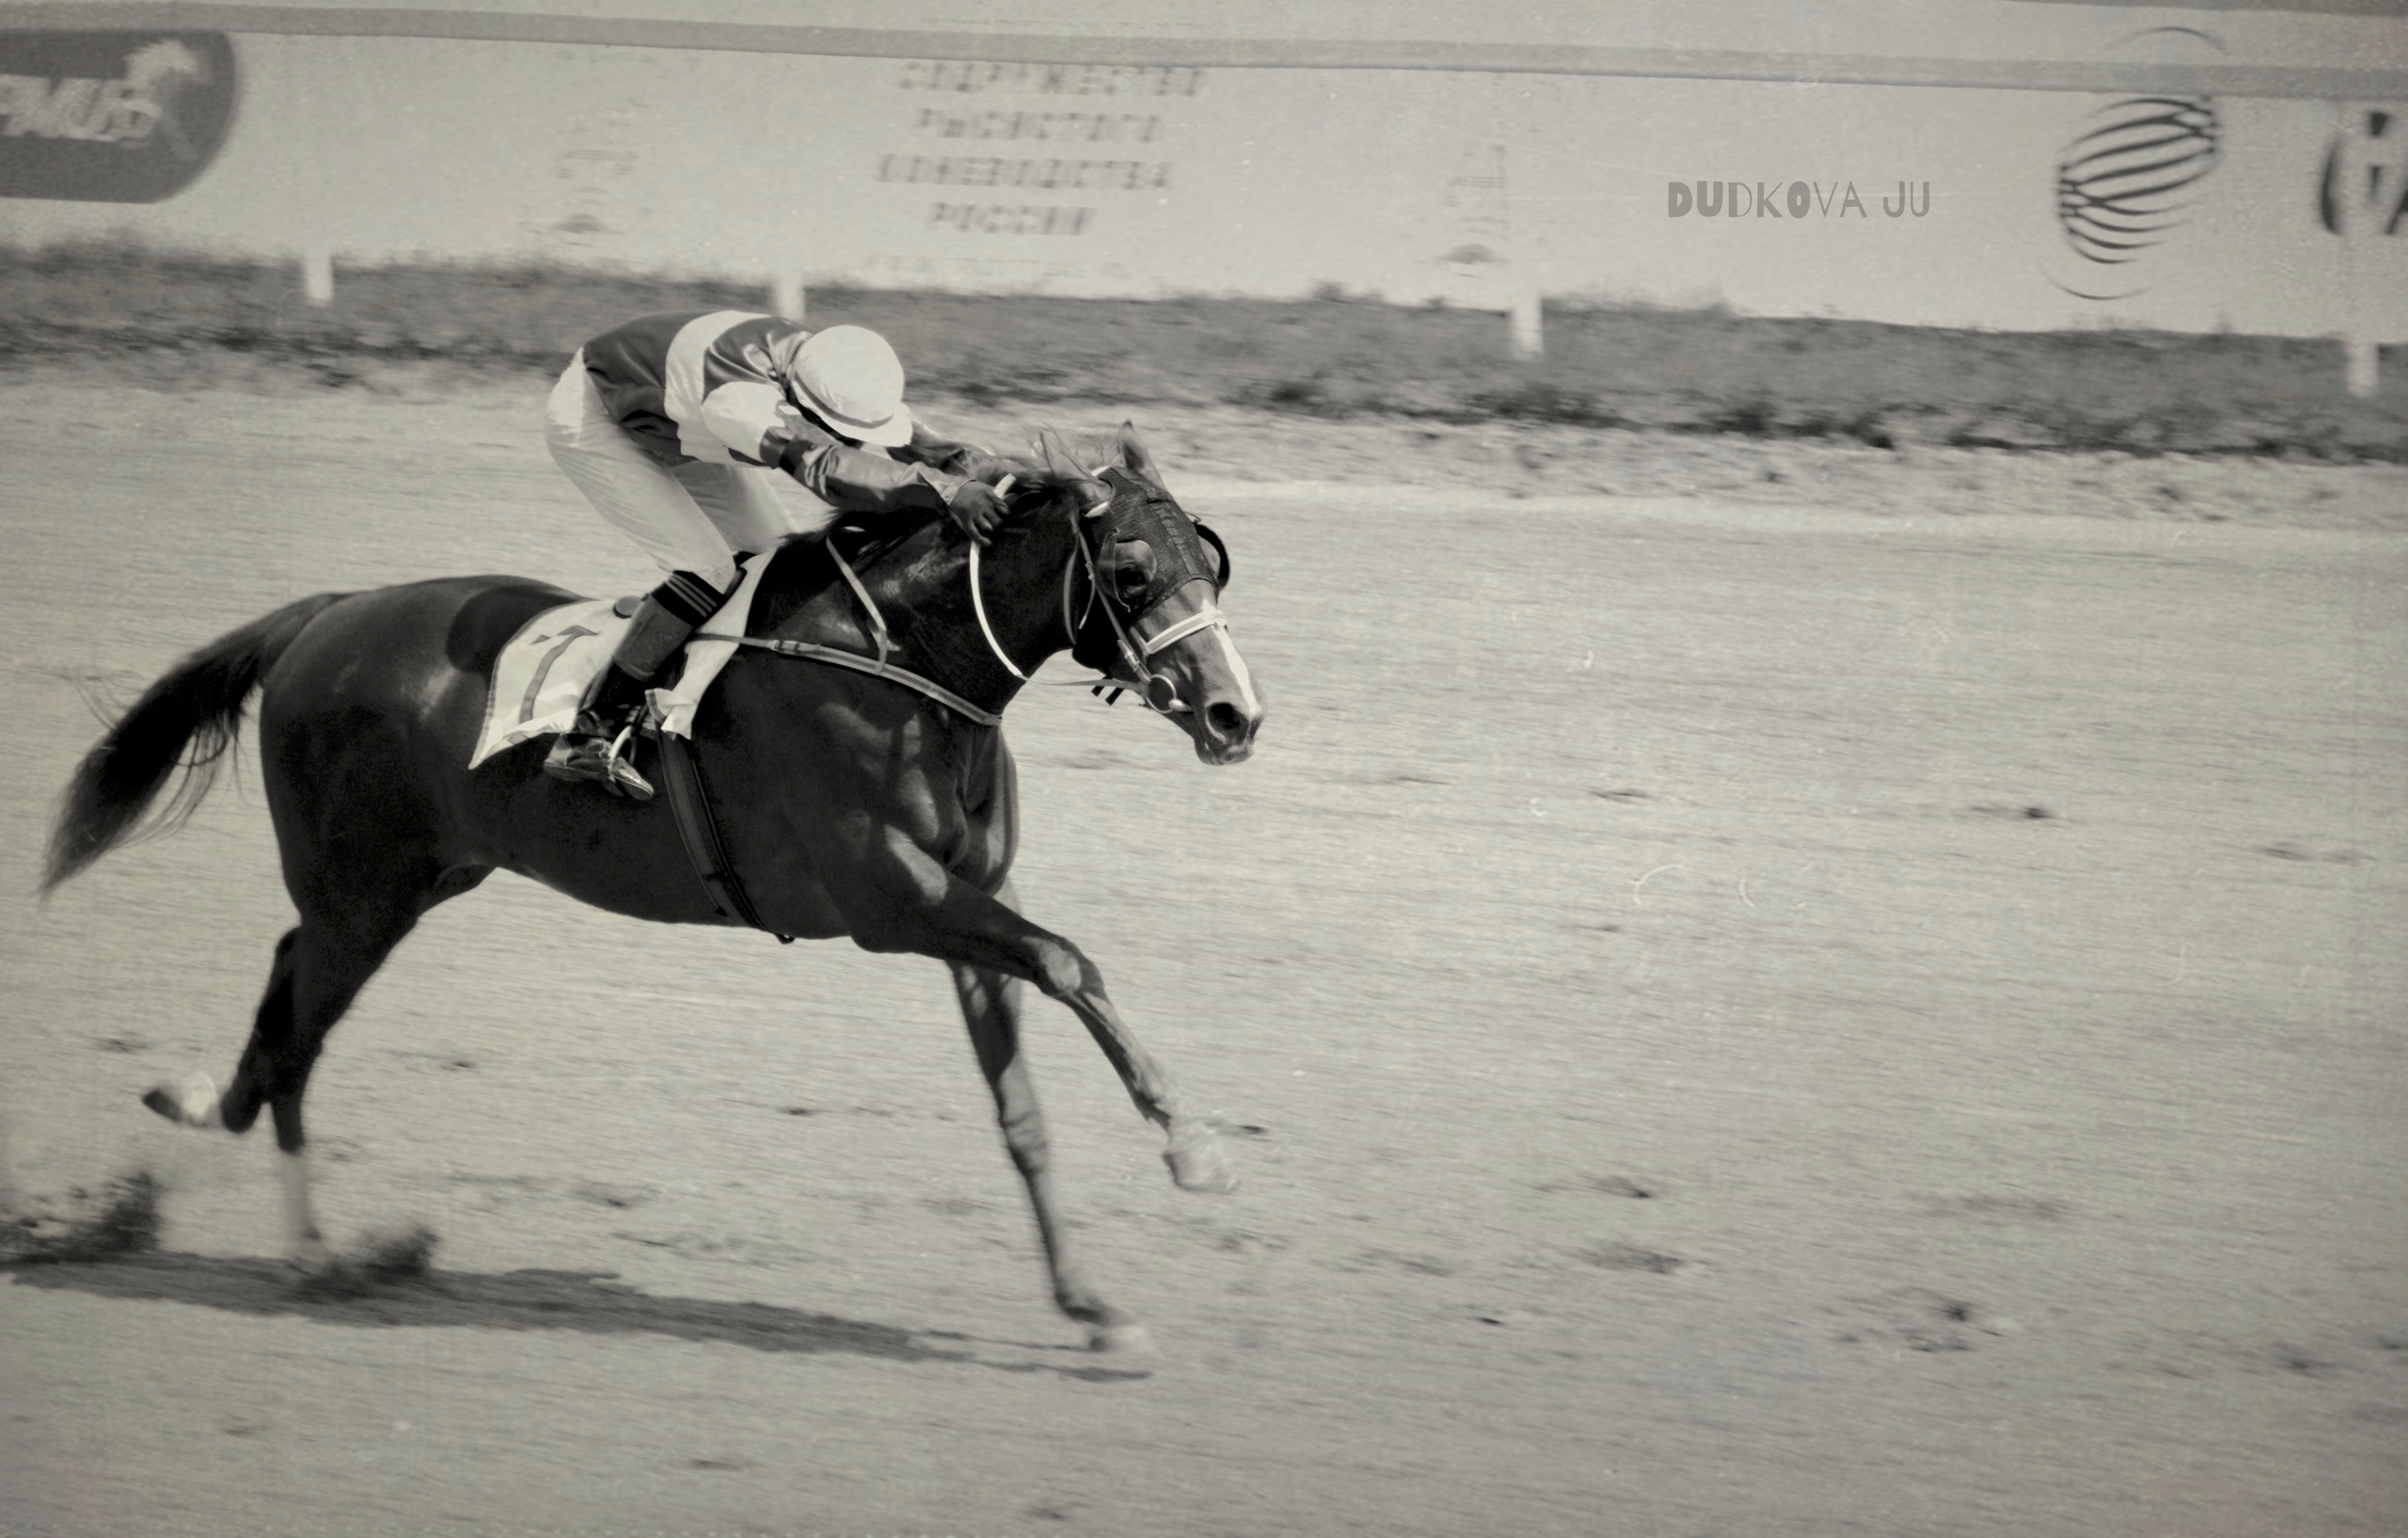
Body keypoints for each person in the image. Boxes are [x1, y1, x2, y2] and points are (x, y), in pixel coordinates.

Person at [541, 309, 1007, 799]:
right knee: (708, 570)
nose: (853, 441)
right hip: (598, 421)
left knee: (779, 562)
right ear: (803, 405)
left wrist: (1005, 476)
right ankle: (588, 731)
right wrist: (945, 490)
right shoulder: (740, 404)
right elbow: (829, 469)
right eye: (841, 430)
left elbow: (921, 442)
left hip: (673, 416)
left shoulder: (832, 367)